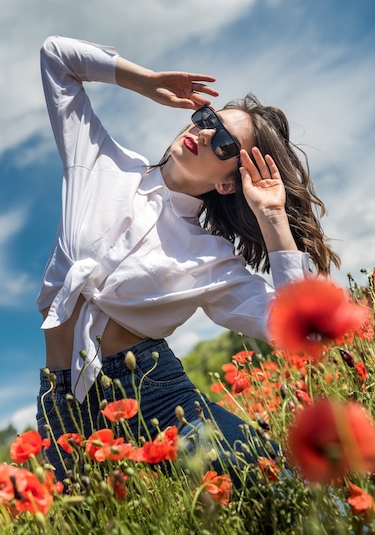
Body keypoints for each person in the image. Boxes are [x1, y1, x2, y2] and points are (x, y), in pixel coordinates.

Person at [36, 35, 340, 482]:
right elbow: (55, 56)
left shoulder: (212, 259)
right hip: (60, 408)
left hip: (157, 399)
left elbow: (299, 332)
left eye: (223, 144)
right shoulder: (99, 162)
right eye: (207, 119)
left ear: (227, 183)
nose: (203, 132)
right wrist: (146, 81)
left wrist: (273, 218)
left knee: (284, 496)